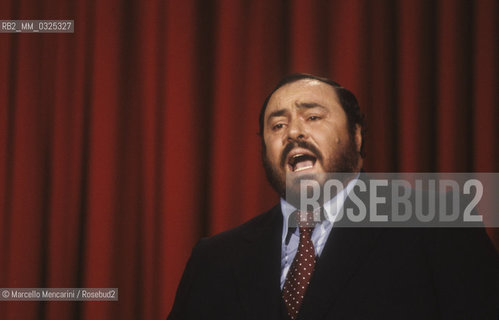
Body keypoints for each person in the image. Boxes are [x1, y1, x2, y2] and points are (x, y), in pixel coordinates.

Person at [167, 74, 499, 319]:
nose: (294, 132)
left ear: (356, 136)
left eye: (312, 117)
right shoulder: (213, 259)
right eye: (277, 125)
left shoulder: (438, 221)